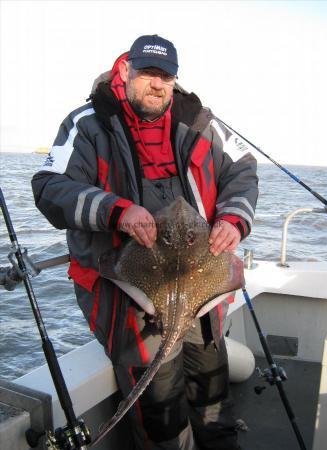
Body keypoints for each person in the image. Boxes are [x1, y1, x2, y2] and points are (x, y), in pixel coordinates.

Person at [32, 34, 258, 450]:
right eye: (148, 73)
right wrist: (115, 210)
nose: (158, 84)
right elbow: (48, 188)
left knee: (213, 396)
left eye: (167, 76)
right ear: (125, 70)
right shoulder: (87, 123)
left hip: (199, 285)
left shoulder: (201, 121)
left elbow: (242, 169)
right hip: (126, 291)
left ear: (175, 80)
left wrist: (233, 218)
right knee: (160, 408)